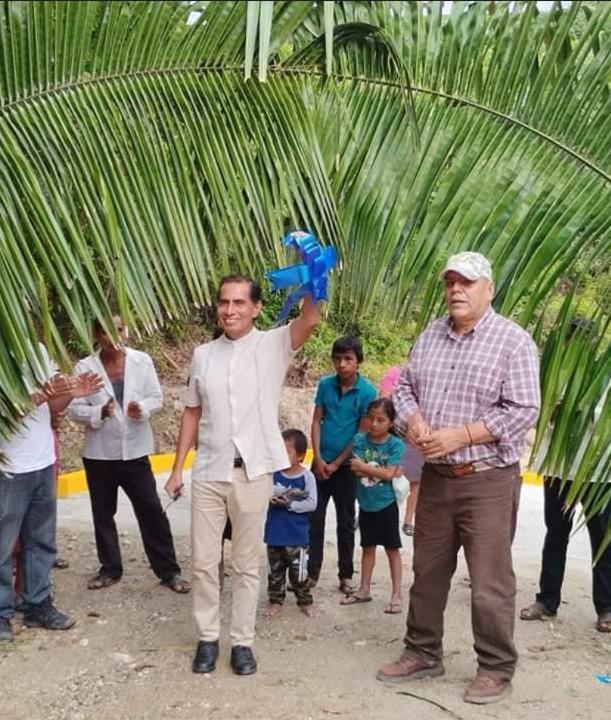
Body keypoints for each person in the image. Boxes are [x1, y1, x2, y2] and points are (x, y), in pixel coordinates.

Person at [377, 251, 540, 705]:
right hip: (437, 477)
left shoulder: (513, 342)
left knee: (489, 581)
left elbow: (524, 410)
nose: (455, 290)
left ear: (489, 289)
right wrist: (415, 423)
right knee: (428, 571)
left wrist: (462, 435)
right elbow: (403, 389)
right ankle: (422, 652)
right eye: (450, 282)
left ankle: (495, 667)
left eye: (466, 282)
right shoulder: (431, 334)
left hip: (487, 479)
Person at [165, 275, 320, 677]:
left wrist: (313, 279)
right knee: (204, 561)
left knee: (247, 562)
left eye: (238, 303)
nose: (230, 310)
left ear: (256, 308)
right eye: (224, 302)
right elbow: (192, 412)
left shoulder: (273, 345)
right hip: (210, 470)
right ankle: (207, 638)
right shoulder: (203, 355)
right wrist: (177, 468)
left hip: (252, 473)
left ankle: (242, 643)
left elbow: (309, 320)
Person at [69, 316, 188, 593]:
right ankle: (110, 568)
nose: (114, 336)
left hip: (134, 452)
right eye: (106, 331)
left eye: (119, 329)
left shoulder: (141, 361)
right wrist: (99, 411)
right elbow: (74, 409)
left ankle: (169, 571)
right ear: (96, 335)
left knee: (151, 511)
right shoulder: (85, 367)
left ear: (126, 331)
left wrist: (141, 409)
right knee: (103, 514)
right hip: (99, 455)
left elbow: (156, 397)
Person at [0, 344, 103, 643]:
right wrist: (40, 395)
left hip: (42, 461)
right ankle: (2, 613)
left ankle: (37, 604)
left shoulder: (36, 349)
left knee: (41, 540)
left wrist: (71, 393)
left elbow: (51, 407)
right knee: (3, 546)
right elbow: (9, 411)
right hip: (9, 466)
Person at [521, 379, 610, 633]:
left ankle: (606, 607)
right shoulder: (558, 370)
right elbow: (537, 408)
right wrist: (552, 411)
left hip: (598, 470)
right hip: (558, 465)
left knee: (602, 539)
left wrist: (584, 411)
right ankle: (547, 600)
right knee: (555, 534)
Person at [308, 336, 377, 594]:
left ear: (358, 362)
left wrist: (337, 463)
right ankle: (311, 573)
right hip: (320, 463)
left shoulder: (368, 392)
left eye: (348, 359)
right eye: (337, 359)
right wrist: (317, 458)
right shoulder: (325, 385)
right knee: (314, 519)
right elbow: (316, 421)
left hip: (347, 467)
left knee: (346, 521)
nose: (342, 364)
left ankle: (346, 575)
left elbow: (361, 433)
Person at [340, 399, 405, 614]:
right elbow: (356, 469)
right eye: (371, 418)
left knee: (392, 549)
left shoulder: (396, 445)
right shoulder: (359, 439)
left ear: (391, 422)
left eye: (381, 420)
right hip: (365, 503)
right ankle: (364, 589)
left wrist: (369, 468)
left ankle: (397, 594)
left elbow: (389, 473)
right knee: (367, 547)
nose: (374, 424)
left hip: (387, 504)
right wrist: (382, 471)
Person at [263, 429, 317, 619]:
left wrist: (290, 505)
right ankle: (275, 601)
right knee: (274, 572)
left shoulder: (307, 477)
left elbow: (312, 503)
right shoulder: (272, 475)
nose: (281, 455)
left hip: (297, 536)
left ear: (300, 455)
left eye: (287, 451)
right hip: (274, 533)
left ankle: (305, 601)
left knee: (299, 573)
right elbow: (263, 493)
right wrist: (270, 498)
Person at [379, 366, 424, 536]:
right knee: (381, 476)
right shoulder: (395, 374)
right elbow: (384, 400)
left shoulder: (425, 376)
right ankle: (373, 514)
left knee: (415, 481)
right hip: (392, 434)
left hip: (415, 437)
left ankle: (408, 520)